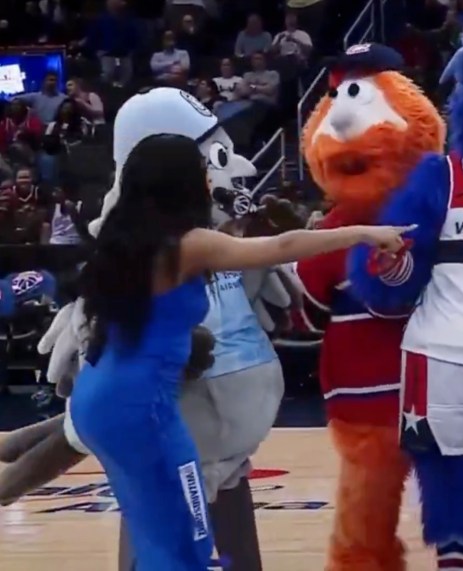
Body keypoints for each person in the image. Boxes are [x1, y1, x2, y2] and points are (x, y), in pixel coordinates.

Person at [68, 133, 410, 570]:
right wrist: (364, 231)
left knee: (153, 527)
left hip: (99, 397)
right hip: (141, 408)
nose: (210, 177)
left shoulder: (123, 239)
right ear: (181, 182)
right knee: (186, 538)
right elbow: (280, 248)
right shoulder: (187, 243)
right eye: (202, 169)